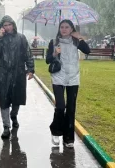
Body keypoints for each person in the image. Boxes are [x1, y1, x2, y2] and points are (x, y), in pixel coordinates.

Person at [46, 20, 90, 148]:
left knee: (71, 108)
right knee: (60, 106)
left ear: (72, 29)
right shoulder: (54, 42)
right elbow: (48, 60)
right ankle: (55, 131)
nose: (64, 29)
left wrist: (80, 38)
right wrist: (54, 53)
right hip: (58, 77)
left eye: (67, 27)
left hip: (73, 77)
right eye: (62, 27)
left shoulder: (76, 42)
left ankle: (68, 138)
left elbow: (87, 51)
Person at [0, 15, 34, 139]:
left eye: (9, 24)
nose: (7, 27)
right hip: (3, 74)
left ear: (13, 25)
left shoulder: (21, 38)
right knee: (3, 100)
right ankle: (6, 126)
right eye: (5, 25)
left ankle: (14, 115)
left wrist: (30, 69)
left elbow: (27, 54)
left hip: (18, 73)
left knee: (16, 98)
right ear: (1, 27)